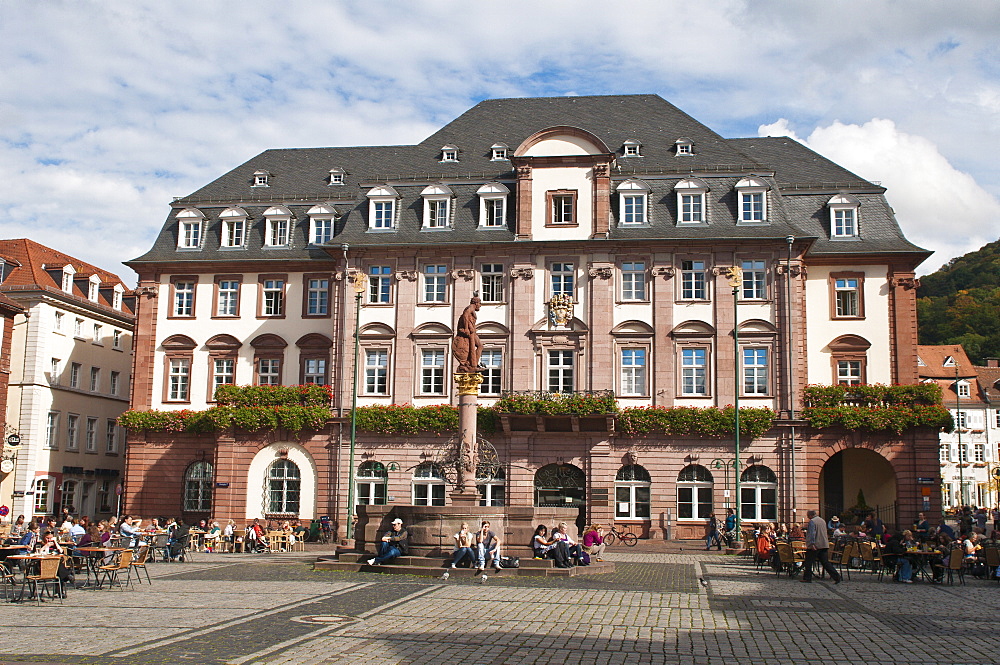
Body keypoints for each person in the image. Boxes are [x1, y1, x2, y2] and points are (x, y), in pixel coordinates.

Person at [802, 510, 841, 584]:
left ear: (810, 515)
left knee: (808, 562)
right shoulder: (822, 520)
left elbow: (812, 533)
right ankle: (836, 576)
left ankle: (807, 578)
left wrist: (812, 544)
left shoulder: (812, 522)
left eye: (808, 516)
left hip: (816, 545)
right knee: (825, 562)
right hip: (824, 544)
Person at [453, 296, 484, 373]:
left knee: (480, 346)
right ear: (476, 303)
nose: (480, 305)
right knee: (478, 346)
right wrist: (466, 328)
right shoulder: (470, 308)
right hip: (470, 330)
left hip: (472, 330)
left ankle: (474, 363)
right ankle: (473, 365)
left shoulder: (471, 309)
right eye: (480, 303)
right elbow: (465, 315)